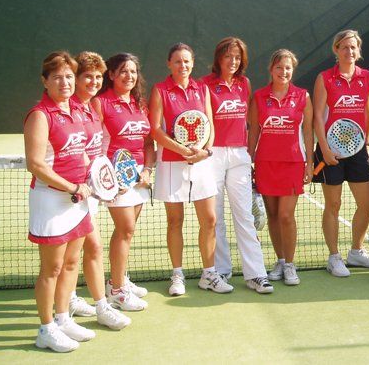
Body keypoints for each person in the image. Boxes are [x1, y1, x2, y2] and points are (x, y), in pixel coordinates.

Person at [25, 51, 95, 352]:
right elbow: (36, 164)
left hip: (78, 199)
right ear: (45, 81)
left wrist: (96, 180)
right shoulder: (40, 115)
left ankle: (64, 317)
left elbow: (82, 153)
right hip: (52, 200)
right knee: (51, 269)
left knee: (71, 262)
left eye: (69, 76)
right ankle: (46, 328)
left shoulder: (77, 111)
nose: (65, 82)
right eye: (57, 77)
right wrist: (71, 187)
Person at [149, 43, 232, 296]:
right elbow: (155, 129)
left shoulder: (202, 89)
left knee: (209, 220)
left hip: (201, 162)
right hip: (172, 164)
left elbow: (210, 123)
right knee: (175, 221)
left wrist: (205, 151)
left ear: (192, 63)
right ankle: (177, 275)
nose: (182, 66)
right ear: (169, 64)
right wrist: (183, 150)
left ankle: (209, 274)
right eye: (177, 62)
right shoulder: (160, 90)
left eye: (186, 61)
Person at [200, 37, 273, 294]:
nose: (233, 61)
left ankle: (256, 274)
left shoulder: (244, 84)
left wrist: (250, 154)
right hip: (213, 155)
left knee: (244, 215)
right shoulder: (205, 85)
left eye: (238, 57)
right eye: (228, 56)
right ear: (218, 58)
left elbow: (249, 122)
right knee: (215, 216)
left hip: (239, 154)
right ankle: (220, 270)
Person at [67, 52, 131, 329]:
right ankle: (99, 306)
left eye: (97, 77)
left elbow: (97, 151)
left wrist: (106, 181)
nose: (94, 81)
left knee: (82, 249)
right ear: (76, 79)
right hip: (70, 191)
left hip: (88, 192)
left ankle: (72, 299)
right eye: (87, 76)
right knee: (83, 249)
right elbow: (72, 152)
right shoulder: (69, 108)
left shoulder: (91, 108)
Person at [312, 30, 369, 278]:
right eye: (344, 47)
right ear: (336, 50)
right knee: (334, 204)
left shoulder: (367, 77)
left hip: (358, 148)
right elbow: (318, 115)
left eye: (353, 48)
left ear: (358, 50)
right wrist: (325, 149)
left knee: (368, 204)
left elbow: (367, 112)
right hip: (331, 150)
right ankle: (333, 256)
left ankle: (356, 251)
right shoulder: (325, 78)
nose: (349, 52)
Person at [93, 53, 154, 309]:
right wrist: (108, 178)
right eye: (123, 71)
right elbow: (94, 144)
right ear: (111, 75)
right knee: (126, 229)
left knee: (127, 231)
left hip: (139, 175)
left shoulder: (140, 104)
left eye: (133, 72)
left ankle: (118, 280)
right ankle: (117, 292)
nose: (129, 76)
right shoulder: (101, 102)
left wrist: (148, 169)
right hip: (114, 176)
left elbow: (148, 142)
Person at [248, 49, 314, 286]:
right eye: (279, 67)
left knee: (286, 215)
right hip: (266, 162)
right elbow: (254, 131)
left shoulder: (302, 96)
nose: (283, 72)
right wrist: (249, 161)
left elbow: (308, 132)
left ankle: (290, 265)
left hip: (293, 163)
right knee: (273, 216)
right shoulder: (259, 97)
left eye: (287, 68)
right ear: (271, 69)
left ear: (292, 70)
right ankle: (280, 259)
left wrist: (309, 163)